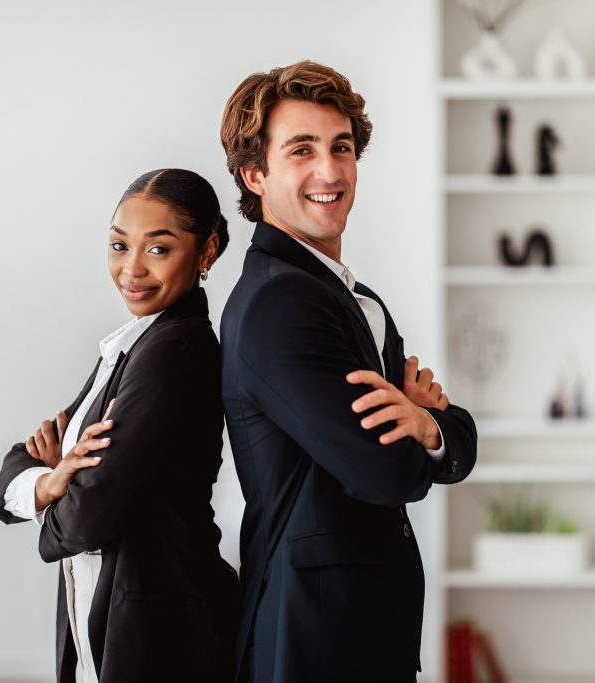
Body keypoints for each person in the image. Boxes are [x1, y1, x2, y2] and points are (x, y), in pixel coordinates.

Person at [218, 61, 477, 682]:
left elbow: (452, 440)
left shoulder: (347, 296)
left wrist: (431, 424)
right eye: (301, 150)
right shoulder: (280, 303)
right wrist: (426, 425)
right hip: (312, 636)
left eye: (341, 148)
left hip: (358, 629)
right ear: (256, 175)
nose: (330, 171)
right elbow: (384, 471)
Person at [0, 168, 239, 683]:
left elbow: (86, 521)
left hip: (164, 636)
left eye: (158, 249)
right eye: (119, 246)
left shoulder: (177, 350)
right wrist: (47, 481)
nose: (132, 269)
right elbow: (27, 454)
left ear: (207, 251)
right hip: (114, 630)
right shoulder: (133, 345)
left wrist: (51, 493)